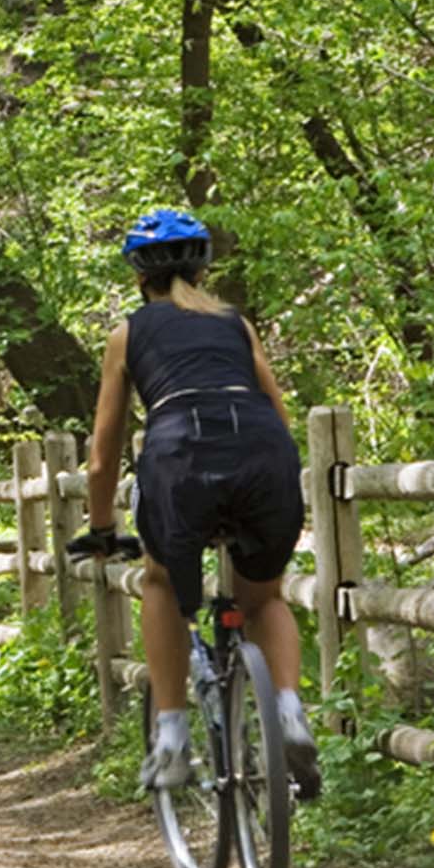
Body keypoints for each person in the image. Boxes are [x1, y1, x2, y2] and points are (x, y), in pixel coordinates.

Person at [68, 209, 319, 798]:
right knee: (264, 598)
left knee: (159, 583)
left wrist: (102, 527)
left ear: (139, 276)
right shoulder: (237, 324)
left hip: (180, 460)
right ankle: (288, 713)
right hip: (263, 456)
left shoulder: (128, 334)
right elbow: (277, 414)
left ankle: (173, 737)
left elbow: (103, 454)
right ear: (204, 269)